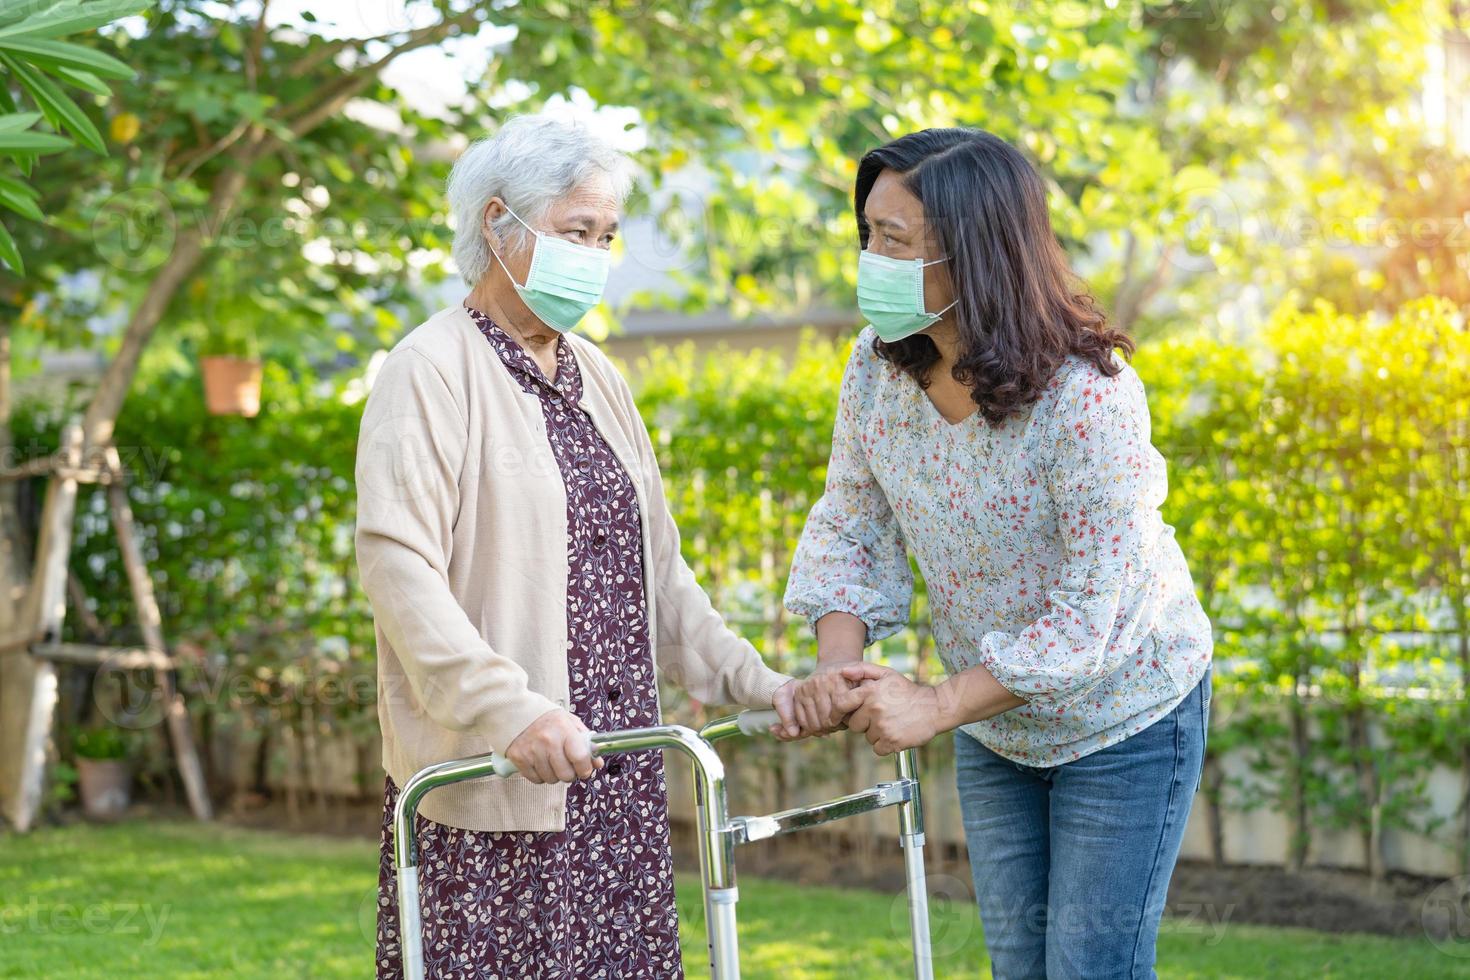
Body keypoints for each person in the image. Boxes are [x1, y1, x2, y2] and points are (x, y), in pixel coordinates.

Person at [355, 113, 799, 979]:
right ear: (497, 222)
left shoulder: (600, 376)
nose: (594, 255)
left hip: (616, 779)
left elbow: (659, 579)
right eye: (574, 232)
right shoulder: (430, 370)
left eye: (604, 235)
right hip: (494, 790)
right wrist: (510, 711)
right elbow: (398, 567)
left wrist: (760, 684)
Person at [785, 127, 1213, 979]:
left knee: (1091, 968)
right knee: (1020, 968)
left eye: (893, 239)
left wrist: (936, 704)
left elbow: (1093, 615)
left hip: (1125, 714)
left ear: (973, 252)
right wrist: (840, 665)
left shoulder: (1089, 397)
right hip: (997, 725)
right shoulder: (877, 371)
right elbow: (851, 521)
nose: (869, 256)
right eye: (867, 232)